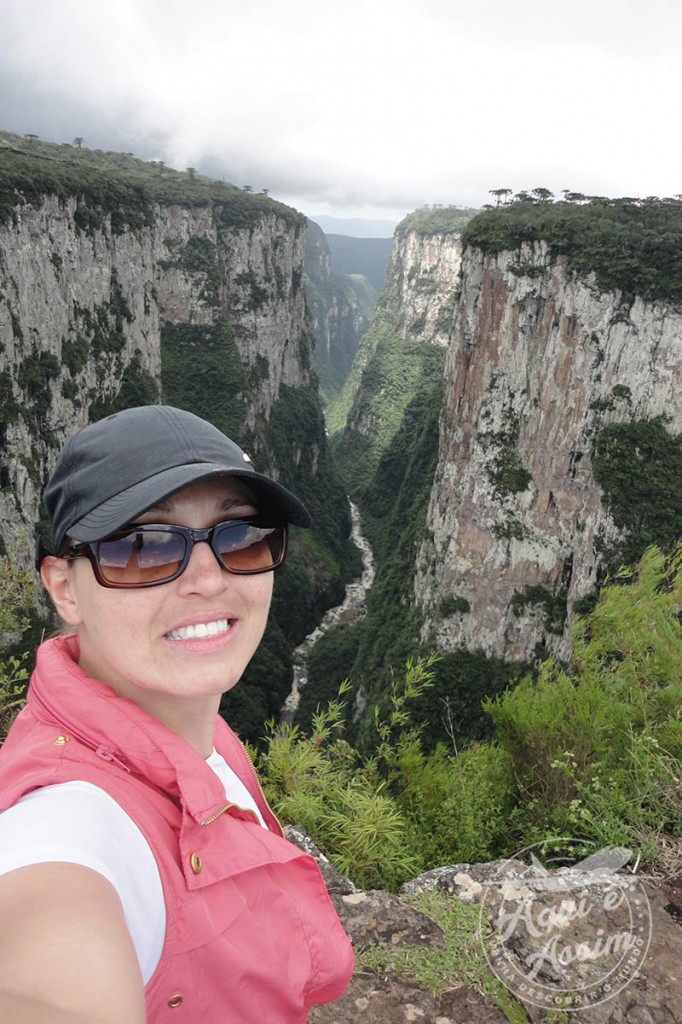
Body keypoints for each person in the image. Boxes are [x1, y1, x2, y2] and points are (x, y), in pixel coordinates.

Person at [0, 405, 354, 1024]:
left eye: (240, 535)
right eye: (143, 547)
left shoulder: (191, 725)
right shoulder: (66, 831)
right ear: (65, 588)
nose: (208, 580)